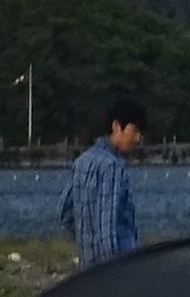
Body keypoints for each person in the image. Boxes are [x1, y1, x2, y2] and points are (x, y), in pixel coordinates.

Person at [61, 101, 146, 269]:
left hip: (88, 267)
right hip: (117, 268)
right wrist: (111, 271)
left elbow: (65, 212)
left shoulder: (82, 161)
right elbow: (108, 227)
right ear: (116, 126)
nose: (137, 139)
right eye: (134, 131)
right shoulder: (112, 166)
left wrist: (86, 240)